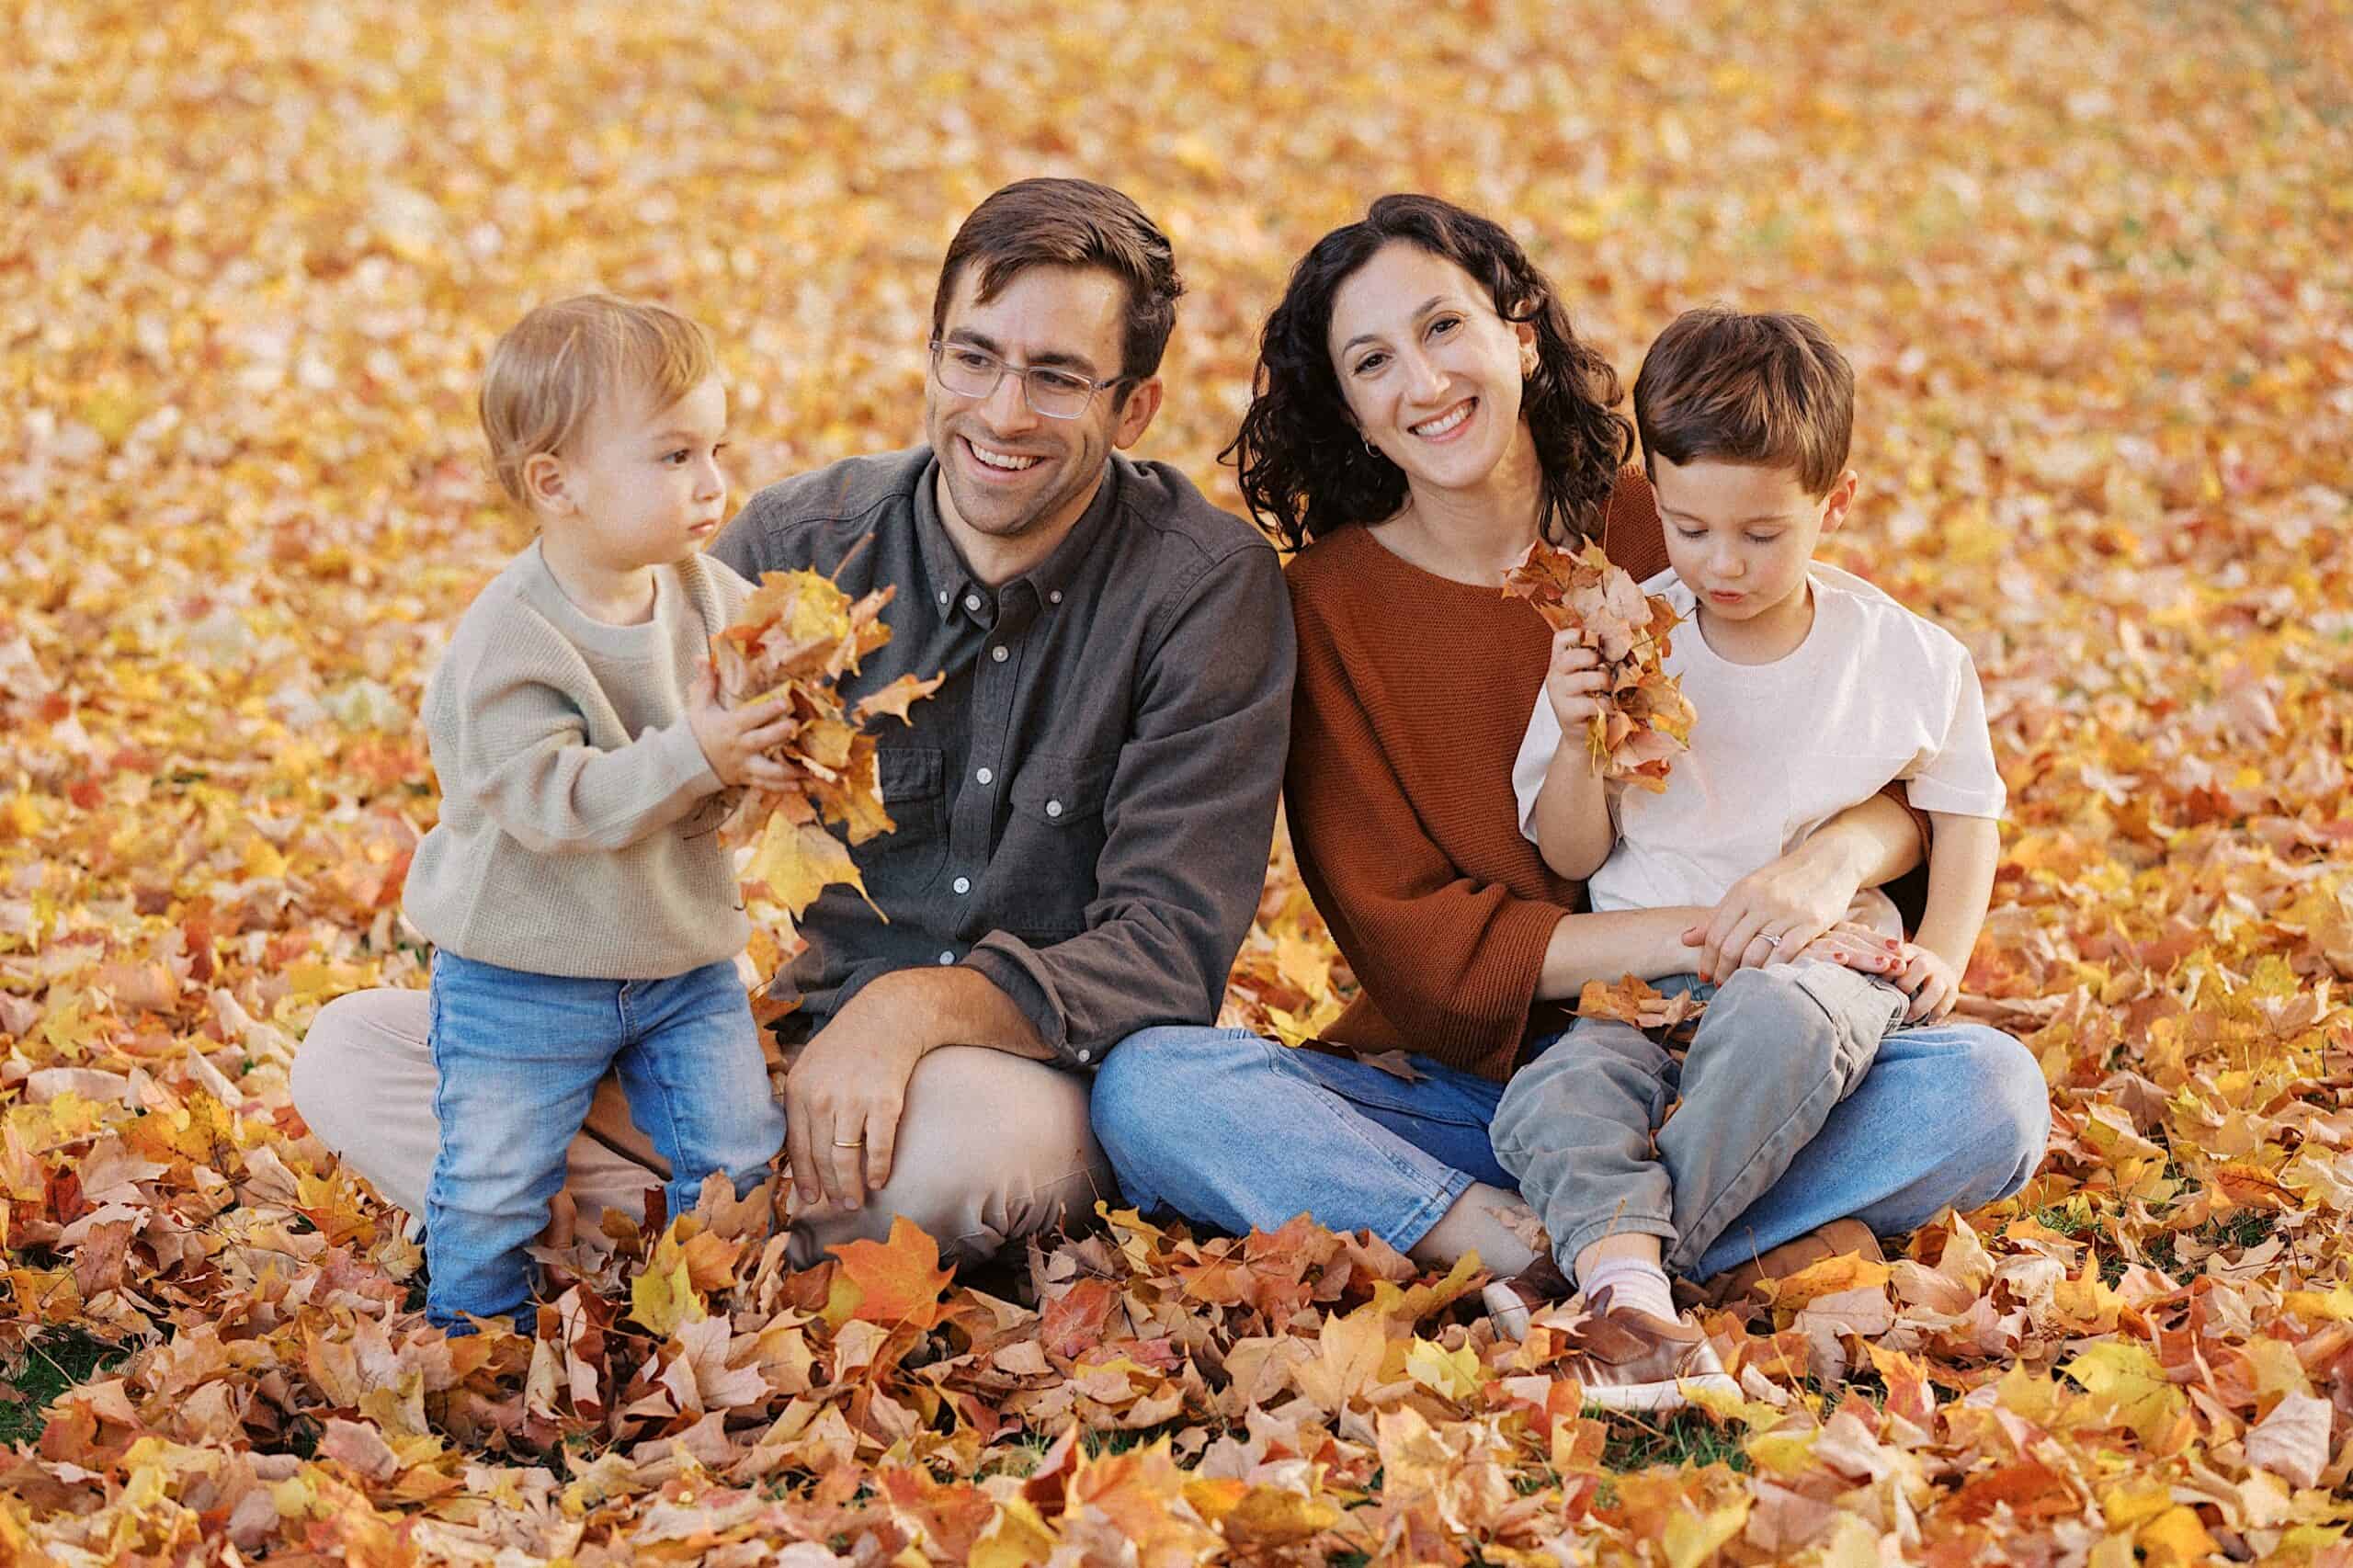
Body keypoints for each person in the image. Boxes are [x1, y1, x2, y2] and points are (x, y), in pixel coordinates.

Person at [1091, 196, 2048, 1405]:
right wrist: (1714, 925)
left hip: (1729, 1061)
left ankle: (1603, 1266)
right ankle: (1563, 1246)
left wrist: (1823, 863)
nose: (1423, 381)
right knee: (1156, 1088)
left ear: (1523, 331)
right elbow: (1423, 954)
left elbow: (1884, 755)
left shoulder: (1679, 519)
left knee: (1990, 1092)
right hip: (1475, 1093)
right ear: (1347, 405)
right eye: (1373, 361)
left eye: (1445, 328)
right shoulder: (1324, 611)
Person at [290, 178, 1294, 1276]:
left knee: (961, 1150)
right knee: (352, 1052)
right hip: (768, 1061)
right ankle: (723, 1235)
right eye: (974, 357)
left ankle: (641, 1237)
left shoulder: (1203, 589)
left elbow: (1169, 945)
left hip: (1023, 1073)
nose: (1003, 410)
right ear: (932, 356)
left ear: (1133, 408)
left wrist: (912, 1012)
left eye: (1056, 377)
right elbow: (628, 783)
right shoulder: (801, 542)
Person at [1482, 308, 2007, 1405]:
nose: (1721, 563)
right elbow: (1569, 850)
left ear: (1836, 503)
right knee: (1549, 1101)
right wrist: (1583, 737)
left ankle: (1612, 1275)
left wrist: (1946, 953)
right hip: (1639, 992)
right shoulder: (1626, 642)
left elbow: (1964, 812)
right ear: (1658, 500)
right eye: (1687, 527)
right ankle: (1652, 1292)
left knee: (1808, 1031)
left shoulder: (1907, 656)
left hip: (1817, 976)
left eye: (1761, 534)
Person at [402, 295, 791, 1331]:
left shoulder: (712, 597)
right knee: (493, 1183)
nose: (712, 482)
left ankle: (721, 1329)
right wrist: (696, 752)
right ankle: (470, 1347)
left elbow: (732, 759)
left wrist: (770, 751)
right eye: (671, 455)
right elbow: (554, 802)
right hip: (518, 971)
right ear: (554, 482)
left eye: (716, 447)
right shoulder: (508, 638)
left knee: (740, 1153)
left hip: (679, 959)